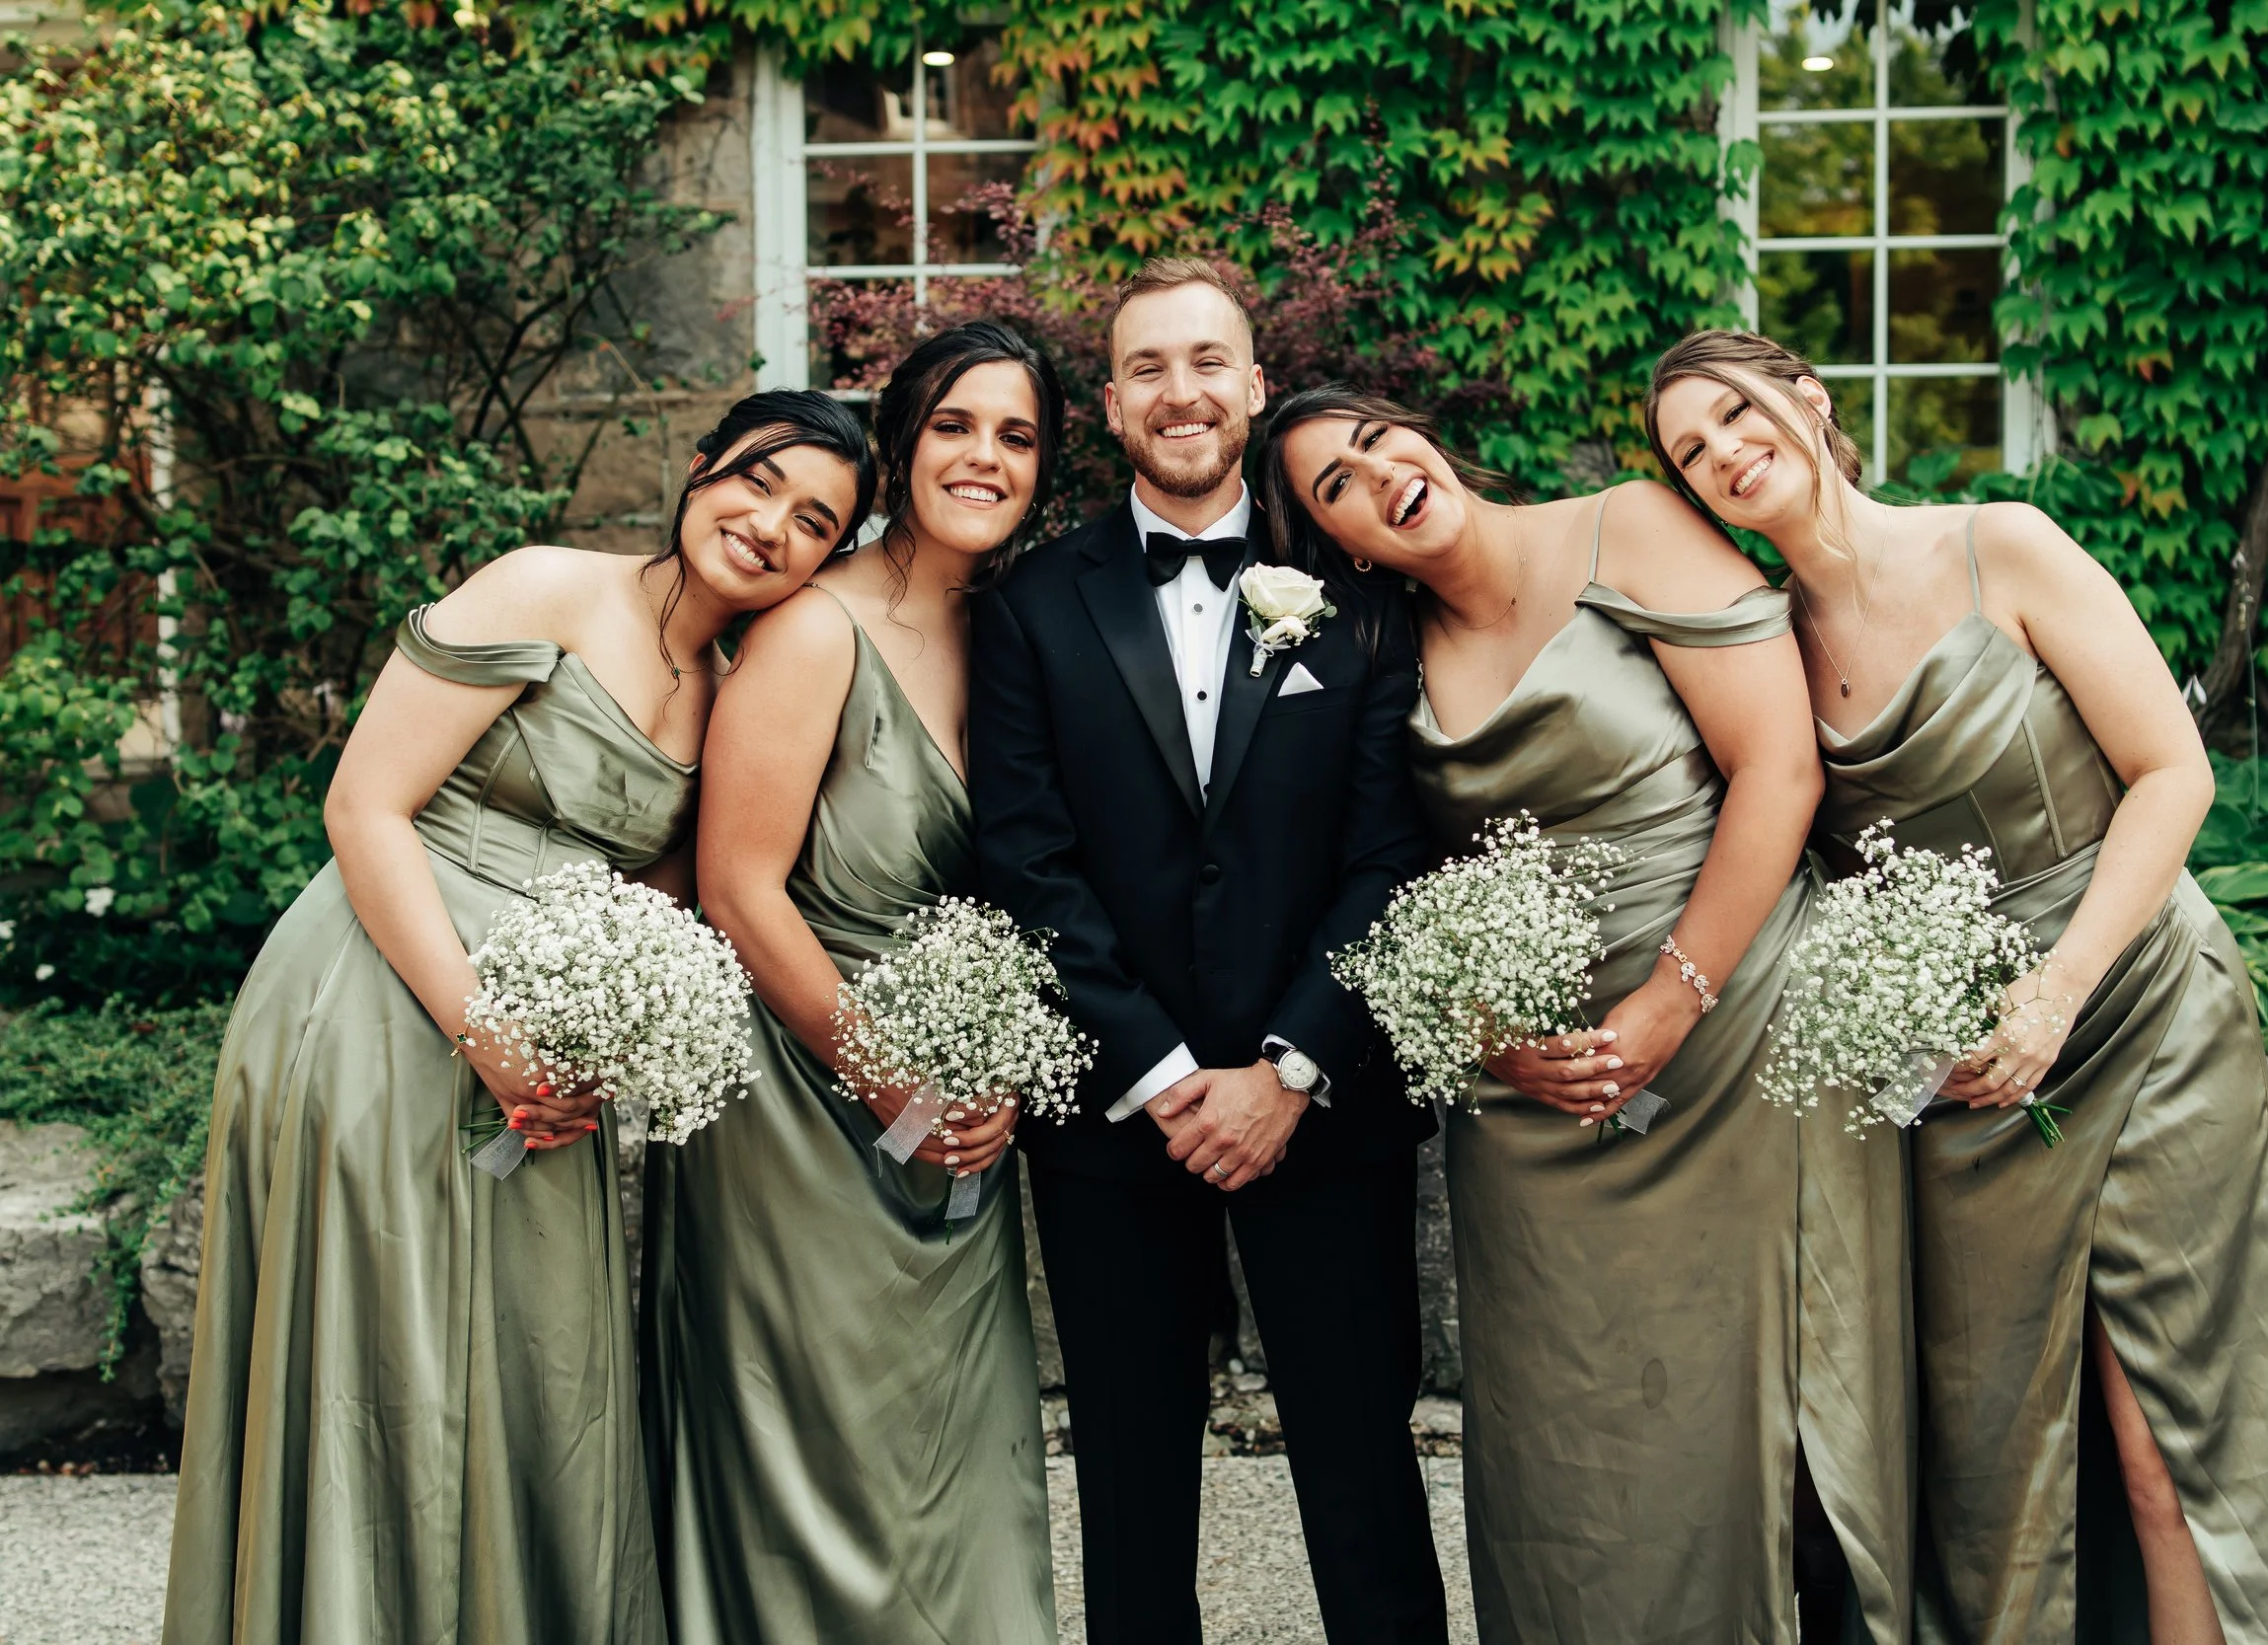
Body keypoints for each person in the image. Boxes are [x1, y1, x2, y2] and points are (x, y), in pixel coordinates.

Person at [161, 391, 874, 1645]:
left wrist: (618, 1046)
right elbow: (366, 808)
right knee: (386, 1356)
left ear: (829, 558)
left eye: (814, 521)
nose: (770, 525)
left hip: (553, 1058)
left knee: (530, 1367)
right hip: (380, 1000)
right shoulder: (545, 587)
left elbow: (663, 910)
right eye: (756, 483)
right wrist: (478, 1028)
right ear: (700, 468)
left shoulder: (730, 694)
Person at [1649, 328, 2268, 1645]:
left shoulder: (1996, 543)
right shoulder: (1760, 643)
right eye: (1691, 452)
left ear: (1806, 396)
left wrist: (2059, 989)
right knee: (1997, 1442)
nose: (1726, 455)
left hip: (2136, 997)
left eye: (1736, 415)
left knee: (2167, 1434)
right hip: (1964, 1070)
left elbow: (2174, 772)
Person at [1259, 383, 1916, 1643]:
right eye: (1333, 483)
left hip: (1735, 1031)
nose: (1375, 470)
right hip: (1537, 1094)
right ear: (1338, 543)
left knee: (1780, 1402)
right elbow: (1389, 872)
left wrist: (1674, 1000)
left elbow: (1777, 766)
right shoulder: (1376, 648)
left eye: (1374, 437)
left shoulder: (1630, 526)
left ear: (1421, 432)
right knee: (1576, 1428)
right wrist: (1486, 1031)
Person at [969, 259, 1449, 1645]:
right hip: (1122, 1115)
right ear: (1111, 404)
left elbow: (1387, 855)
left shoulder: (1358, 600)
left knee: (1364, 1467)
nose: (1180, 390)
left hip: (1325, 1101)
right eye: (1147, 368)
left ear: (1251, 382)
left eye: (1207, 361)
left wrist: (1289, 1063)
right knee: (1129, 1479)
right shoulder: (1029, 607)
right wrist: (1167, 1068)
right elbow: (1027, 855)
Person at [640, 322, 1061, 1643]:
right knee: (817, 1463)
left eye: (1018, 435)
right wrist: (893, 1075)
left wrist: (989, 1073)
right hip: (798, 1106)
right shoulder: (820, 629)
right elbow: (739, 887)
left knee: (959, 1451)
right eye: (954, 424)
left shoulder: (1018, 635)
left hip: (955, 1108)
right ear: (901, 443)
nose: (983, 456)